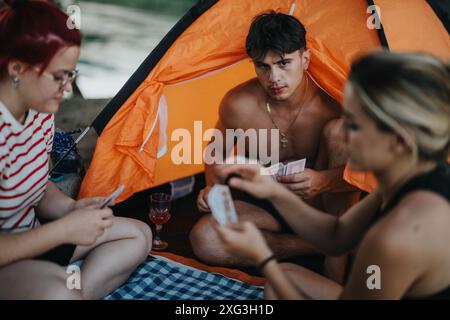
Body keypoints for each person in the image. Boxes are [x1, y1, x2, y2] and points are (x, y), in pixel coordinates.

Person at [213, 51, 450, 299]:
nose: (342, 134)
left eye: (355, 126)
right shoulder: (414, 176)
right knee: (286, 278)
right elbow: (337, 235)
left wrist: (264, 258)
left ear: (399, 140)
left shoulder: (394, 237)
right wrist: (271, 190)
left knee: (278, 281)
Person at [190, 12, 360, 281]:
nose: (274, 77)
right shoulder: (238, 103)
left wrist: (323, 181)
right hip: (268, 203)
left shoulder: (335, 101)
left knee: (339, 131)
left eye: (284, 63)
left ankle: (334, 265)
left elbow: (370, 175)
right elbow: (216, 154)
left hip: (324, 207)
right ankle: (317, 247)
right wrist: (214, 188)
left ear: (305, 59)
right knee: (205, 239)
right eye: (263, 66)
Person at [0, 0, 152, 300]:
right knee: (58, 291)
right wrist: (63, 231)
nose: (67, 88)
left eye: (72, 74)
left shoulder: (39, 111)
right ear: (17, 70)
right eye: (59, 76)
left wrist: (72, 210)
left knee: (139, 235)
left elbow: (39, 186)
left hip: (36, 243)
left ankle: (75, 293)